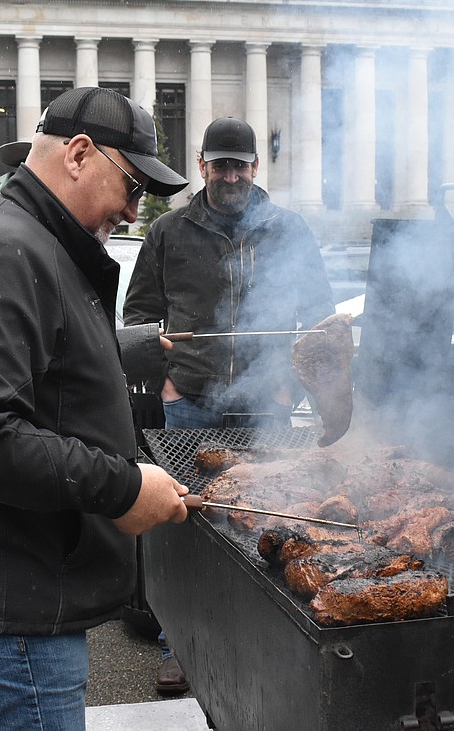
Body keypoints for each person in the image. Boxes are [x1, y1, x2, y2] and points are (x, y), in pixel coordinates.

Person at [0, 87, 191, 731]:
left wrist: (116, 351)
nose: (134, 210)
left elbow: (36, 368)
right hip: (7, 600)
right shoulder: (8, 248)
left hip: (3, 581)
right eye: (132, 186)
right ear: (79, 154)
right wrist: (123, 487)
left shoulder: (22, 233)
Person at [123, 116, 335, 693]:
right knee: (185, 523)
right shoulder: (168, 231)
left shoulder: (289, 230)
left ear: (255, 168)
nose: (231, 175)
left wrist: (291, 386)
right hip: (190, 403)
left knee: (273, 516)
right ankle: (180, 648)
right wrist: (168, 380)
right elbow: (139, 319)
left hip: (267, 405)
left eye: (240, 165)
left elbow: (319, 321)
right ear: (203, 166)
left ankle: (266, 641)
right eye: (221, 164)